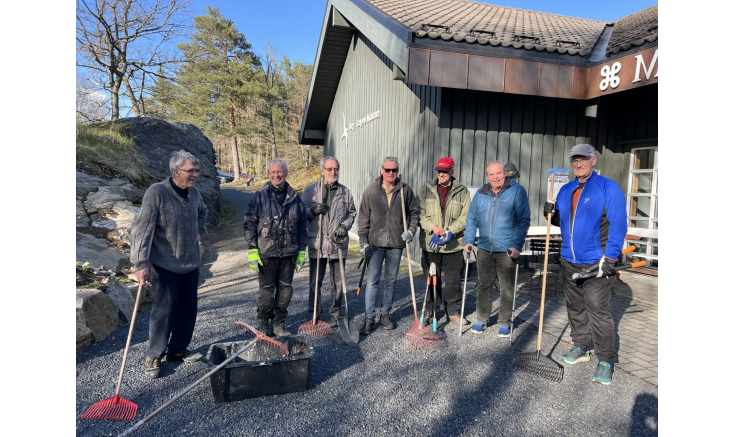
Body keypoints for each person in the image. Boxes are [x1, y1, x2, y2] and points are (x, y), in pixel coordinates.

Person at [543, 144, 627, 385]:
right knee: (575, 308)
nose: (578, 164)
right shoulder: (566, 189)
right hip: (569, 259)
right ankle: (580, 347)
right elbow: (562, 222)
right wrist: (550, 213)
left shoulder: (608, 188)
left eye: (583, 159)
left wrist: (611, 258)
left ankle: (606, 360)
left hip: (596, 262)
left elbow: (618, 223)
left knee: (598, 312)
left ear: (594, 160)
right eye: (574, 160)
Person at [130, 150, 208, 379]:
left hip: (190, 263)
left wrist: (199, 231)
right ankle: (154, 354)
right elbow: (142, 228)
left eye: (196, 171)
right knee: (163, 312)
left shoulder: (195, 194)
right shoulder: (157, 192)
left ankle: (177, 349)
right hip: (164, 263)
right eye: (190, 171)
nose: (195, 175)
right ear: (176, 171)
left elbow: (203, 212)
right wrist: (140, 262)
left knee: (187, 310)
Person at [464, 161, 530, 337]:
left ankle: (504, 322)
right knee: (483, 285)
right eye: (491, 174)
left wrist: (517, 246)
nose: (495, 177)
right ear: (487, 176)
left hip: (507, 249)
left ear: (505, 174)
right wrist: (469, 240)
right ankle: (481, 319)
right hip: (485, 247)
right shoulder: (481, 193)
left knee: (506, 287)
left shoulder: (517, 191)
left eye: (498, 173)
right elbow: (471, 219)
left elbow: (523, 220)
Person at [244, 158, 307, 337]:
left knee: (285, 291)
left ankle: (279, 323)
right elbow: (249, 224)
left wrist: (302, 252)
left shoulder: (295, 198)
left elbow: (302, 228)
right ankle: (264, 322)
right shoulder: (259, 197)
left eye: (279, 172)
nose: (276, 175)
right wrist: (252, 249)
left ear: (285, 173)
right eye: (273, 172)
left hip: (288, 254)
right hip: (267, 254)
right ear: (268, 174)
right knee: (266, 292)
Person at [357, 156, 419, 335]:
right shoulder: (371, 190)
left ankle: (385, 314)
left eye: (394, 170)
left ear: (398, 171)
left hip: (396, 243)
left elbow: (414, 213)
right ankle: (369, 317)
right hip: (375, 243)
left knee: (391, 281)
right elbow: (363, 217)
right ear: (381, 170)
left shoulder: (405, 190)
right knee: (372, 281)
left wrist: (412, 231)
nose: (391, 173)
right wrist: (363, 240)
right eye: (388, 170)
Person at [416, 157, 471, 326]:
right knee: (431, 278)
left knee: (454, 280)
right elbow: (419, 214)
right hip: (431, 243)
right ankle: (432, 308)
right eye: (439, 171)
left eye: (445, 171)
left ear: (452, 172)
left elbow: (466, 217)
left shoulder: (462, 192)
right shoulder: (426, 190)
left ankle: (453, 312)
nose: (441, 174)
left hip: (453, 244)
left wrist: (450, 232)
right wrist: (434, 228)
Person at [302, 156, 357, 325]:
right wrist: (312, 210)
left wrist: (344, 226)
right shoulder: (311, 191)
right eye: (329, 169)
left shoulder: (345, 192)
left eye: (336, 169)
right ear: (322, 170)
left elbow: (352, 213)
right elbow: (300, 212)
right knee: (314, 282)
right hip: (317, 243)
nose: (333, 172)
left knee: (338, 282)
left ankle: (335, 311)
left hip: (337, 243)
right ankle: (315, 313)